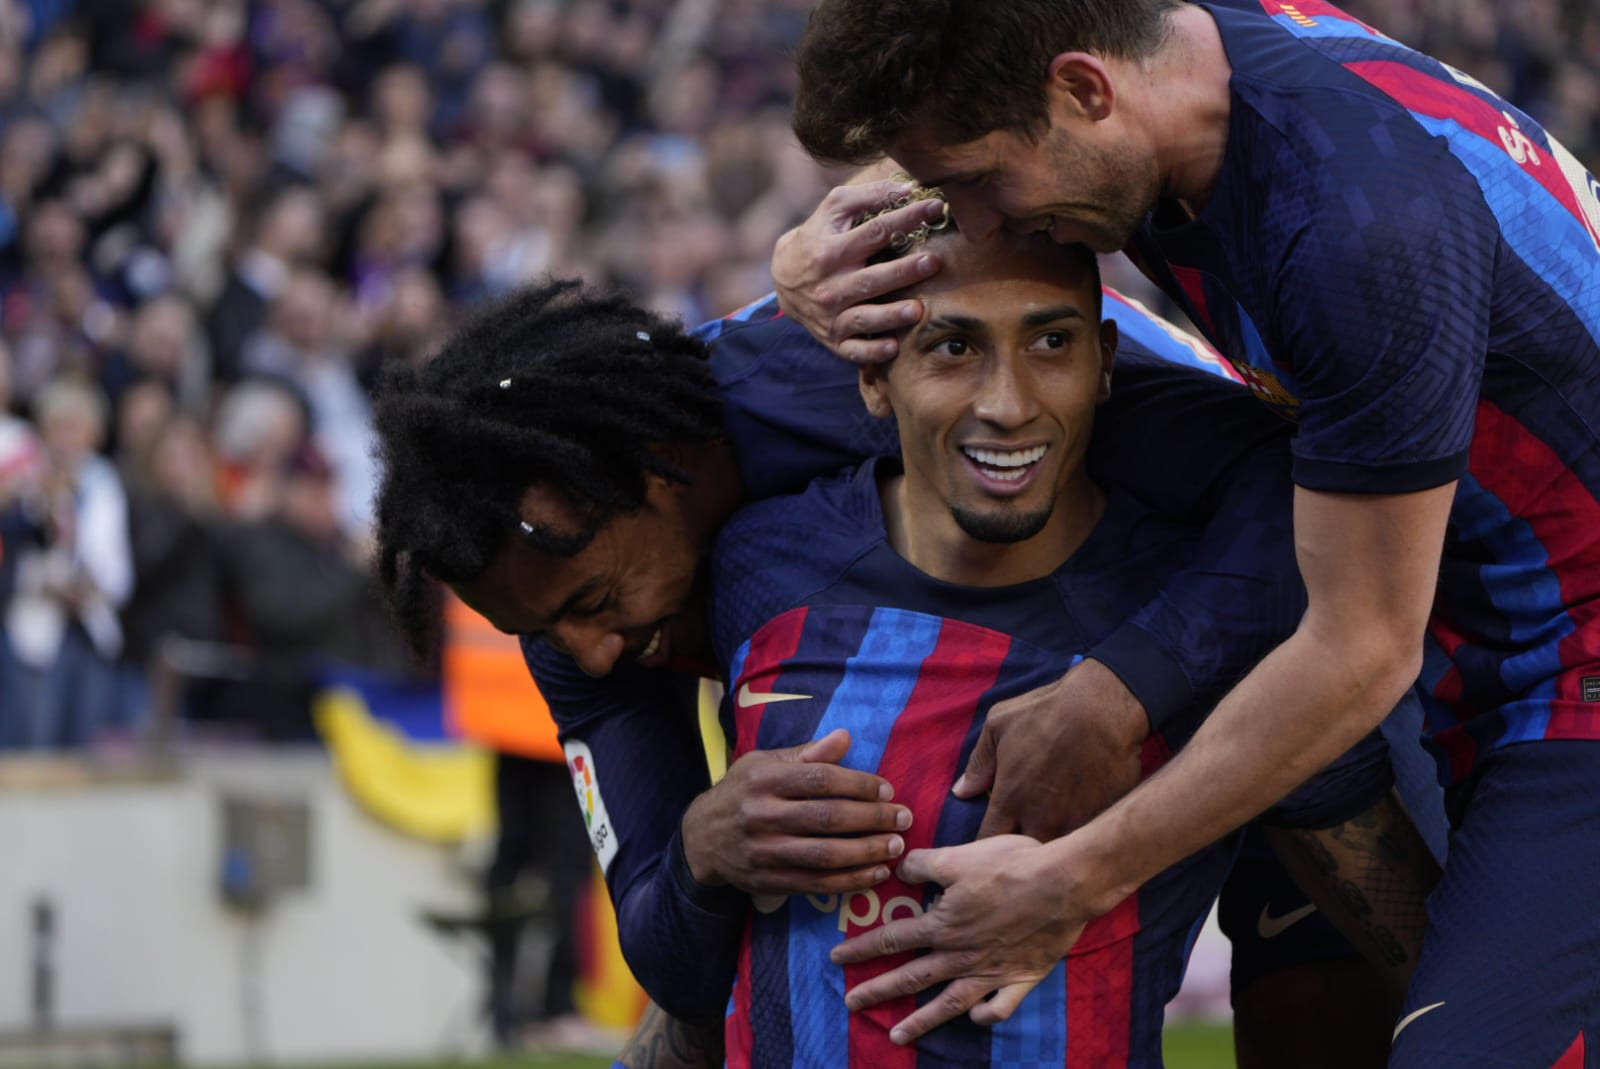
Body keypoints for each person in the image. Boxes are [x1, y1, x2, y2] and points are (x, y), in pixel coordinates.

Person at [783, 2, 1600, 1063]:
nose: (976, 222)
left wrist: (1073, 877)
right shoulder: (1179, 71)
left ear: (1083, 90)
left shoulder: (1355, 234)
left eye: (979, 184)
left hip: (1567, 659)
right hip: (1473, 628)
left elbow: (1358, 649)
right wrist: (803, 258)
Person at [372, 258, 1435, 1063]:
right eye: (545, 629)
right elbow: (673, 953)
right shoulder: (604, 627)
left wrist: (1123, 691)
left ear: (671, 469)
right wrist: (701, 849)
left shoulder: (860, 372)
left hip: (1303, 652)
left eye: (598, 602)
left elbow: (1300, 489)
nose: (593, 654)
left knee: (1349, 992)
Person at [704, 222, 1427, 1065]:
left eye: (1052, 340)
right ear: (874, 377)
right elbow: (705, 975)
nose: (1008, 404)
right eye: (952, 347)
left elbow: (1398, 924)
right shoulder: (758, 561)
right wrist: (697, 849)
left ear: (1107, 360)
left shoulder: (1212, 611)